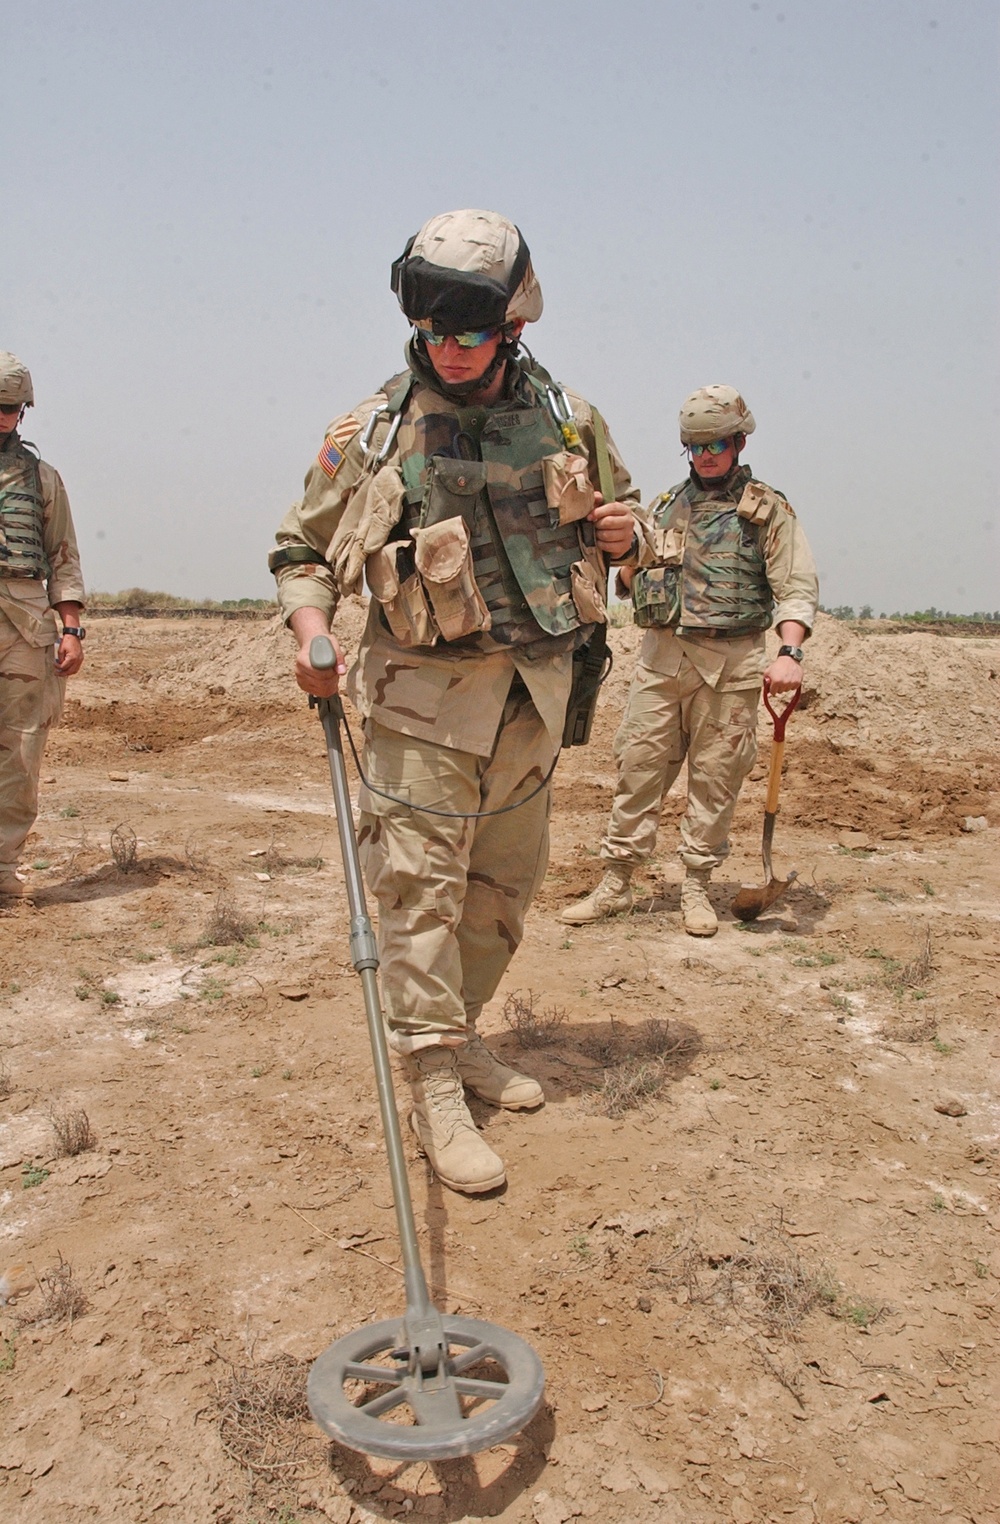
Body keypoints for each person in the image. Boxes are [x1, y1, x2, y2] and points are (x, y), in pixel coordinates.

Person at [270, 210, 638, 1193]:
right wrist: (311, 633)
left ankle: (458, 1037)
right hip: (419, 709)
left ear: (513, 326)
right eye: (434, 334)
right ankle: (431, 1084)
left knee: (500, 896)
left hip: (532, 702)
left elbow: (631, 522)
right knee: (422, 900)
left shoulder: (570, 420)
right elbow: (299, 549)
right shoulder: (374, 426)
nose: (449, 351)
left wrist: (621, 535)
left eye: (468, 335)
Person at [561, 383, 818, 937]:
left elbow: (795, 587)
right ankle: (617, 881)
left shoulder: (767, 511)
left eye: (716, 447)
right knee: (638, 769)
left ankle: (697, 886)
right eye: (695, 448)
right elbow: (630, 574)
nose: (705, 458)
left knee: (715, 780)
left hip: (732, 667)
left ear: (739, 444)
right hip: (662, 662)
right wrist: (628, 560)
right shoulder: (663, 506)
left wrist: (790, 652)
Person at [0, 352, 86, 897]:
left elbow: (64, 557)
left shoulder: (43, 478)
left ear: (23, 411)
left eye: (8, 408)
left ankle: (2, 869)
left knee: (21, 748)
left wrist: (72, 630)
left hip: (26, 627)